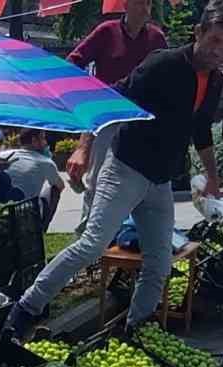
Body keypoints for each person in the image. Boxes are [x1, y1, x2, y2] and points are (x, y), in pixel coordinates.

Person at [2, 0, 223, 339]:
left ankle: (138, 331)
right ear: (198, 32)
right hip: (126, 168)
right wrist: (84, 147)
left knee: (159, 263)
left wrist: (213, 177)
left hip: (159, 182)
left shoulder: (215, 81)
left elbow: (201, 130)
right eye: (215, 40)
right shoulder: (163, 64)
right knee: (92, 245)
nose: (219, 50)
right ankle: (26, 308)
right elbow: (113, 99)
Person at [66, 0, 168, 233]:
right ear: (126, 5)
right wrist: (86, 92)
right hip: (108, 116)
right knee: (97, 181)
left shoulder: (156, 38)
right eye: (140, 3)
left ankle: (127, 239)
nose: (145, 9)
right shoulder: (106, 32)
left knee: (138, 181)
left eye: (149, 3)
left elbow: (165, 73)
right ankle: (87, 237)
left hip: (142, 120)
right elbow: (74, 61)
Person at [0, 129, 66, 229]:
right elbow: (60, 186)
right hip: (28, 214)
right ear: (34, 140)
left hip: (1, 211)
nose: (46, 143)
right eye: (43, 139)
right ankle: (42, 227)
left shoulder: (2, 155)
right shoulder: (45, 162)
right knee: (54, 189)